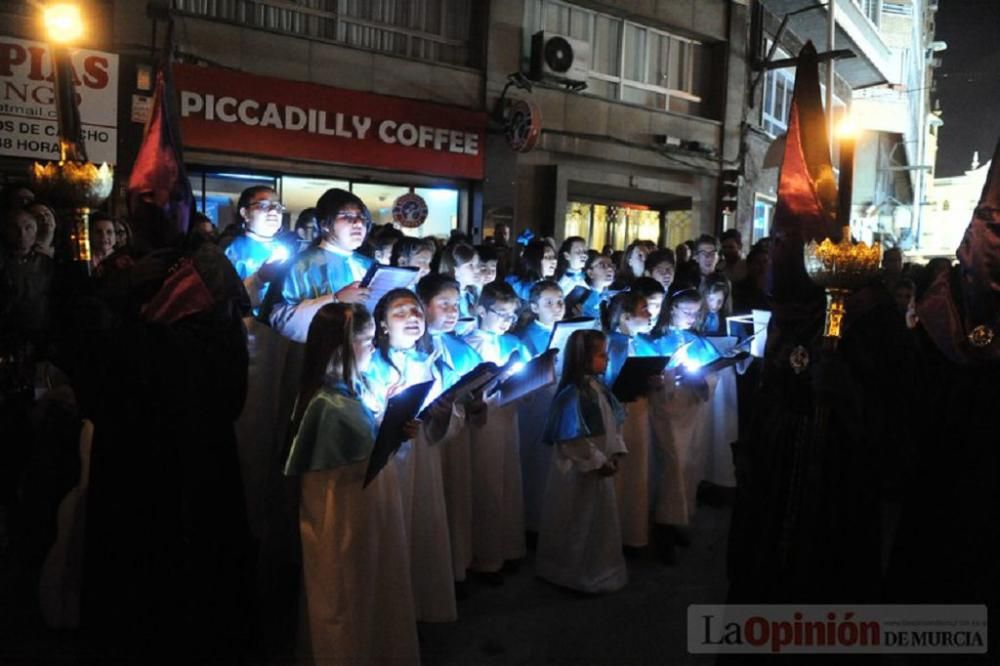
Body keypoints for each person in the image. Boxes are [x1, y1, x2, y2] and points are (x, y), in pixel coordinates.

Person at [283, 303, 420, 665]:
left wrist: (394, 429)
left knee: (367, 590)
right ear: (341, 348)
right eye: (367, 341)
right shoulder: (324, 405)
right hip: (341, 520)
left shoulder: (349, 387)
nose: (374, 349)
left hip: (364, 510)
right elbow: (335, 473)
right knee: (344, 594)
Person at [365, 288, 459, 622]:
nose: (413, 318)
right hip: (391, 465)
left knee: (421, 525)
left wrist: (445, 411)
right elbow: (363, 420)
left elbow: (448, 422)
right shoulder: (371, 364)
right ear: (383, 324)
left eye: (417, 312)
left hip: (424, 460)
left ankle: (420, 605)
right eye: (401, 312)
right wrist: (387, 420)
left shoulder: (429, 362)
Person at [536, 329, 628, 593]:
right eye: (601, 355)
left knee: (600, 521)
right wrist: (598, 461)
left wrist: (616, 451)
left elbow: (614, 423)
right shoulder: (572, 395)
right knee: (578, 521)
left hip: (601, 465)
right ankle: (573, 573)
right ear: (583, 358)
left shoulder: (598, 388)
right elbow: (571, 439)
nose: (607, 360)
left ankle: (600, 569)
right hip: (581, 471)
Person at [417, 274, 485, 586]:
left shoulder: (463, 348)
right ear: (424, 305)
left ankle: (457, 567)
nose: (452, 311)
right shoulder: (415, 347)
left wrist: (477, 400)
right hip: (426, 442)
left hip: (457, 437)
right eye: (444, 304)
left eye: (456, 305)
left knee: (457, 498)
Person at [647, 288, 720, 564]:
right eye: (686, 311)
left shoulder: (698, 341)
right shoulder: (656, 339)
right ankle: (663, 525)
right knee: (672, 465)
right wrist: (669, 378)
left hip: (692, 412)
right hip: (666, 413)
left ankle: (680, 519)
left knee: (689, 466)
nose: (692, 317)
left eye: (696, 312)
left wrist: (702, 381)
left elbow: (712, 373)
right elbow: (651, 373)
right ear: (672, 309)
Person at [463, 281, 528, 579]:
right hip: (481, 424)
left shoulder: (514, 343)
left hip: (507, 416)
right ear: (480, 310)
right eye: (500, 313)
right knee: (485, 484)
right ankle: (484, 556)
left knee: (507, 480)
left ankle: (507, 546)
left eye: (511, 315)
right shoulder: (467, 343)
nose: (506, 321)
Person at [264, 188, 373, 342]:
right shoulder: (300, 265)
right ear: (325, 224)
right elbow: (281, 320)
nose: (358, 223)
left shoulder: (370, 265)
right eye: (347, 216)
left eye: (362, 217)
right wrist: (335, 300)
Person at [603, 291, 656, 550]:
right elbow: (606, 382)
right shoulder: (611, 345)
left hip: (639, 412)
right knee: (620, 475)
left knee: (637, 471)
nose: (650, 314)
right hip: (619, 416)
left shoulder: (643, 342)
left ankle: (633, 531)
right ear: (625, 316)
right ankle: (613, 535)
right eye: (644, 309)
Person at [514, 279, 566, 533]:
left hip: (561, 402)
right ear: (534, 307)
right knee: (535, 462)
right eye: (549, 303)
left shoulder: (569, 331)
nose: (557, 308)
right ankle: (532, 522)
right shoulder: (525, 337)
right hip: (535, 406)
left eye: (560, 302)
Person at [220, 186, 297, 316]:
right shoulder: (231, 249)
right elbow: (225, 300)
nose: (273, 211)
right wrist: (259, 279)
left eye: (277, 207)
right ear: (245, 213)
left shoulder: (287, 250)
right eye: (263, 205)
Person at [0, 207, 54, 355]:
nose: (22, 234)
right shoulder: (4, 262)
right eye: (15, 228)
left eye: (28, 228)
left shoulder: (47, 263)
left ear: (36, 231)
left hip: (40, 335)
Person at [437, 241, 480, 318]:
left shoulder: (472, 294)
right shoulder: (441, 298)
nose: (477, 270)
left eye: (477, 265)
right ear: (455, 270)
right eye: (470, 265)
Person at [575, 253, 616, 319]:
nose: (610, 269)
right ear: (590, 273)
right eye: (602, 265)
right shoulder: (582, 298)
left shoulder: (614, 296)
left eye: (611, 265)